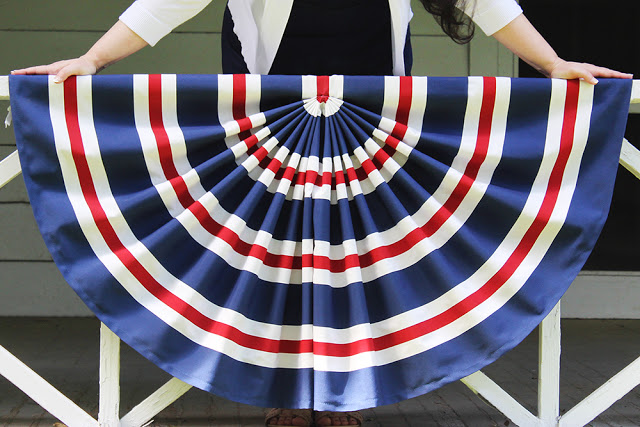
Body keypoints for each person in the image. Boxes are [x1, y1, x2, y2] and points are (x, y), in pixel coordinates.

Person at [11, 1, 632, 426]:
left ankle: (341, 396)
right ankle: (284, 394)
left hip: (371, 114)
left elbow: (482, 0)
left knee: (355, 256)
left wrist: (552, 64)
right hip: (270, 114)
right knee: (275, 256)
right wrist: (93, 60)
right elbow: (170, 1)